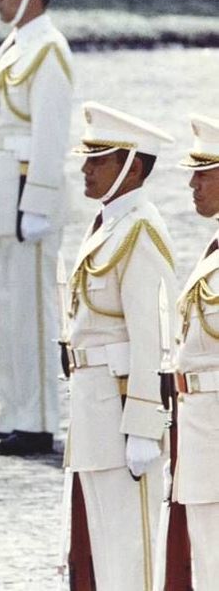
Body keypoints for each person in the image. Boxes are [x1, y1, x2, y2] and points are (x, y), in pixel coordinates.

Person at [63, 102, 175, 589]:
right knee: (105, 551)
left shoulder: (140, 231)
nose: (85, 169)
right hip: (94, 408)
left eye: (98, 159)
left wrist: (146, 425)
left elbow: (153, 333)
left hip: (122, 411)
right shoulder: (109, 225)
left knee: (133, 552)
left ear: (132, 166)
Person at [0, 0, 72, 456]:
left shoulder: (49, 50)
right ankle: (17, 413)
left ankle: (38, 422)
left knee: (33, 313)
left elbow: (51, 134)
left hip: (25, 197)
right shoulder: (17, 45)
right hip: (3, 192)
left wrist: (37, 201)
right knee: (11, 310)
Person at [171, 114, 219, 586]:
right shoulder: (212, 248)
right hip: (202, 429)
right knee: (207, 560)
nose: (192, 182)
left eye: (205, 171)